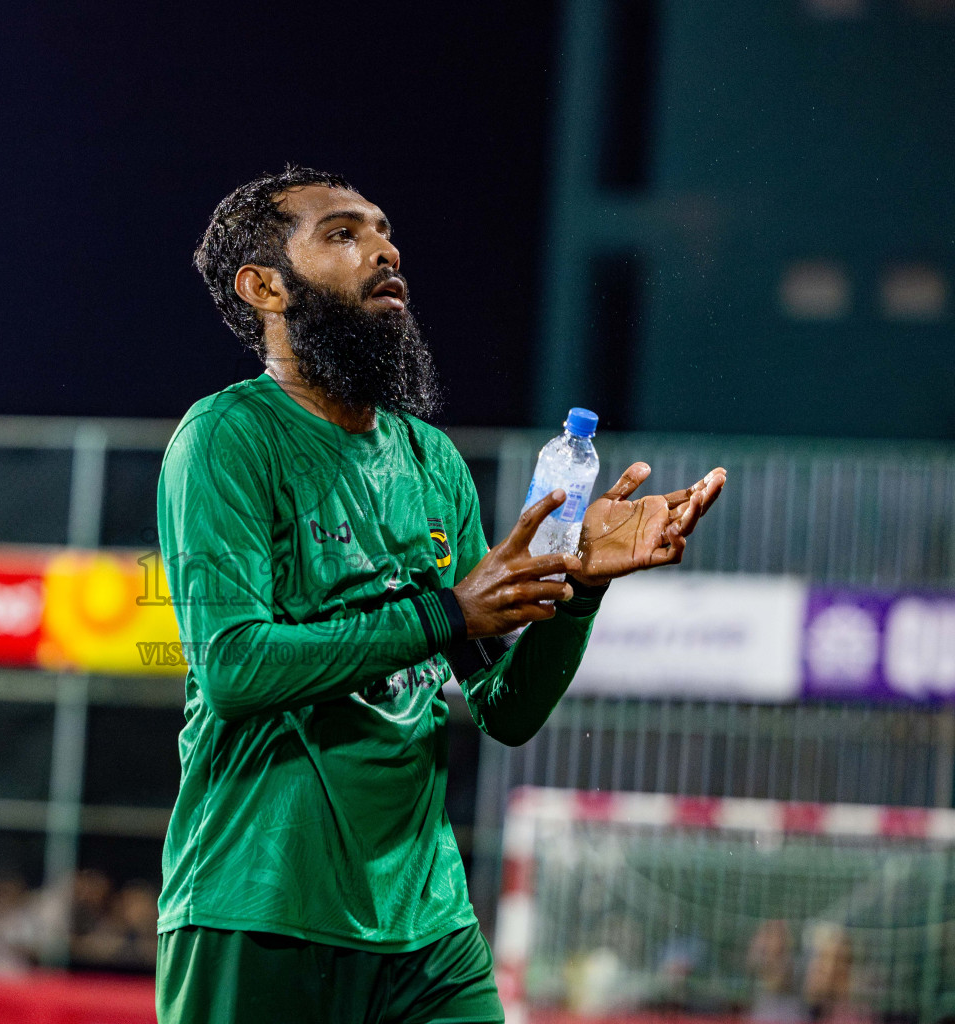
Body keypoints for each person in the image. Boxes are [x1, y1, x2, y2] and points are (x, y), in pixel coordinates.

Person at [154, 165, 725, 1024]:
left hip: (428, 926)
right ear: (264, 285)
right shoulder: (226, 438)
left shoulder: (430, 461)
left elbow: (503, 709)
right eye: (343, 234)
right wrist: (447, 611)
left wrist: (573, 597)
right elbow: (234, 668)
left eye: (383, 232)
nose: (383, 250)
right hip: (257, 905)